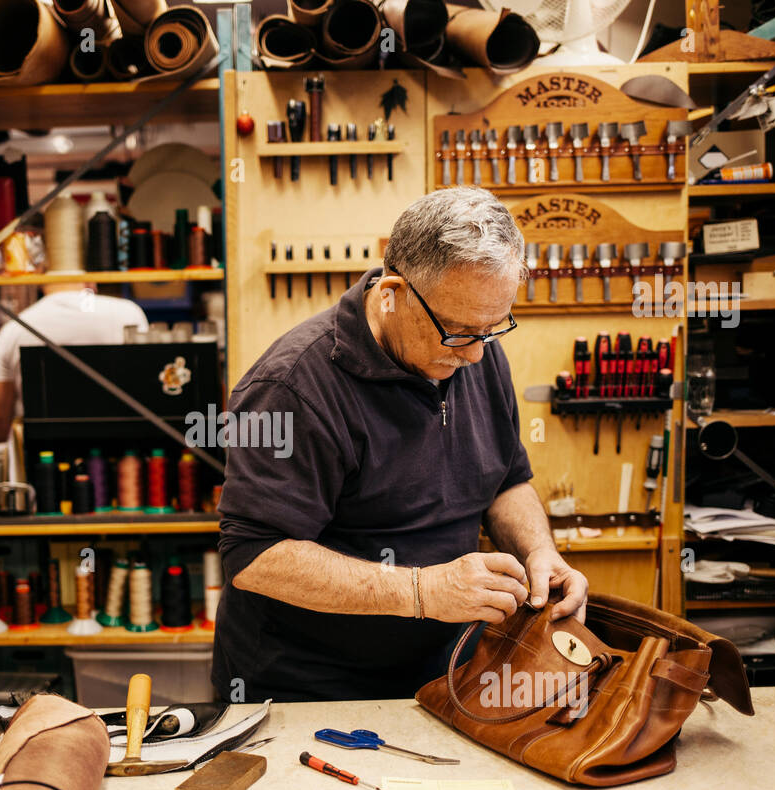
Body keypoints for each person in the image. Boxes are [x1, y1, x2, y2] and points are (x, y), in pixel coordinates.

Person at [213, 187, 588, 702]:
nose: (477, 355)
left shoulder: (474, 351)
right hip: (308, 689)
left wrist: (541, 552)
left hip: (446, 674)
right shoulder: (291, 388)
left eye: (492, 329)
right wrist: (423, 591)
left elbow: (505, 480)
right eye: (456, 331)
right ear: (392, 292)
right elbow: (254, 557)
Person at [0, 282, 148, 440]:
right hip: (120, 452)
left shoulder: (13, 329)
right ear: (90, 279)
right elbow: (147, 392)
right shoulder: (127, 314)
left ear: (40, 281)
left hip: (39, 457)